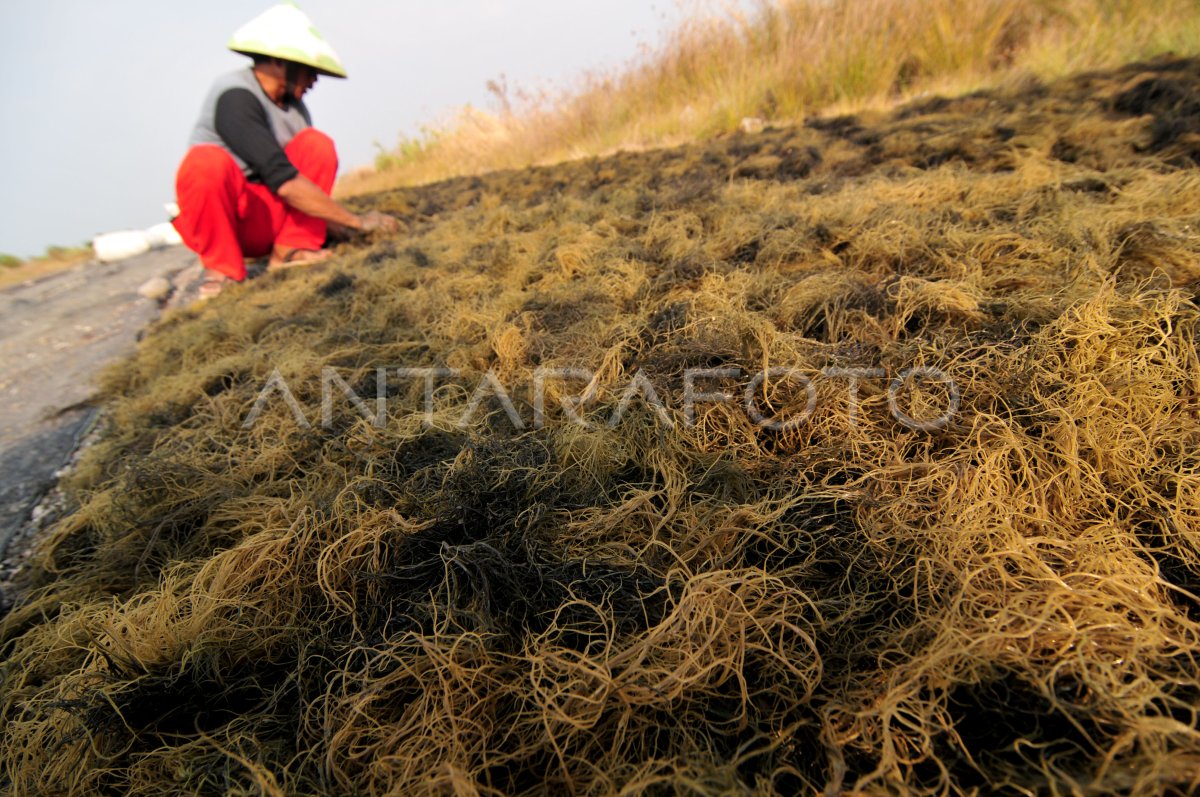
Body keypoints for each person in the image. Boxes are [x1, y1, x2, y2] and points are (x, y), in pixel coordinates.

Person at [172, 2, 398, 297]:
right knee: (205, 162)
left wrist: (333, 223)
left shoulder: (295, 110)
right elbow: (282, 179)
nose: (314, 81)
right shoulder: (235, 95)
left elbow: (302, 177)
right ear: (279, 62)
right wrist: (356, 222)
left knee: (316, 144)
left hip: (269, 221)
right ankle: (223, 272)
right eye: (308, 71)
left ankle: (293, 248)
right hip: (229, 222)